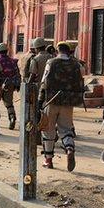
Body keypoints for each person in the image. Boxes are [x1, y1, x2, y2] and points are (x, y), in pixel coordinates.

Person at [38, 41, 85, 171]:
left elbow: (44, 82)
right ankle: (69, 148)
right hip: (68, 101)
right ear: (69, 51)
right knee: (66, 129)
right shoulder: (76, 65)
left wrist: (39, 101)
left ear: (57, 50)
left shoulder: (51, 63)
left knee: (48, 130)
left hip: (51, 100)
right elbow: (82, 77)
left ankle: (48, 160)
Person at [0, 43, 21, 130]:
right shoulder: (12, 61)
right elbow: (17, 73)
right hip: (10, 83)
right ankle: (12, 117)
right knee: (9, 103)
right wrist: (17, 85)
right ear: (6, 51)